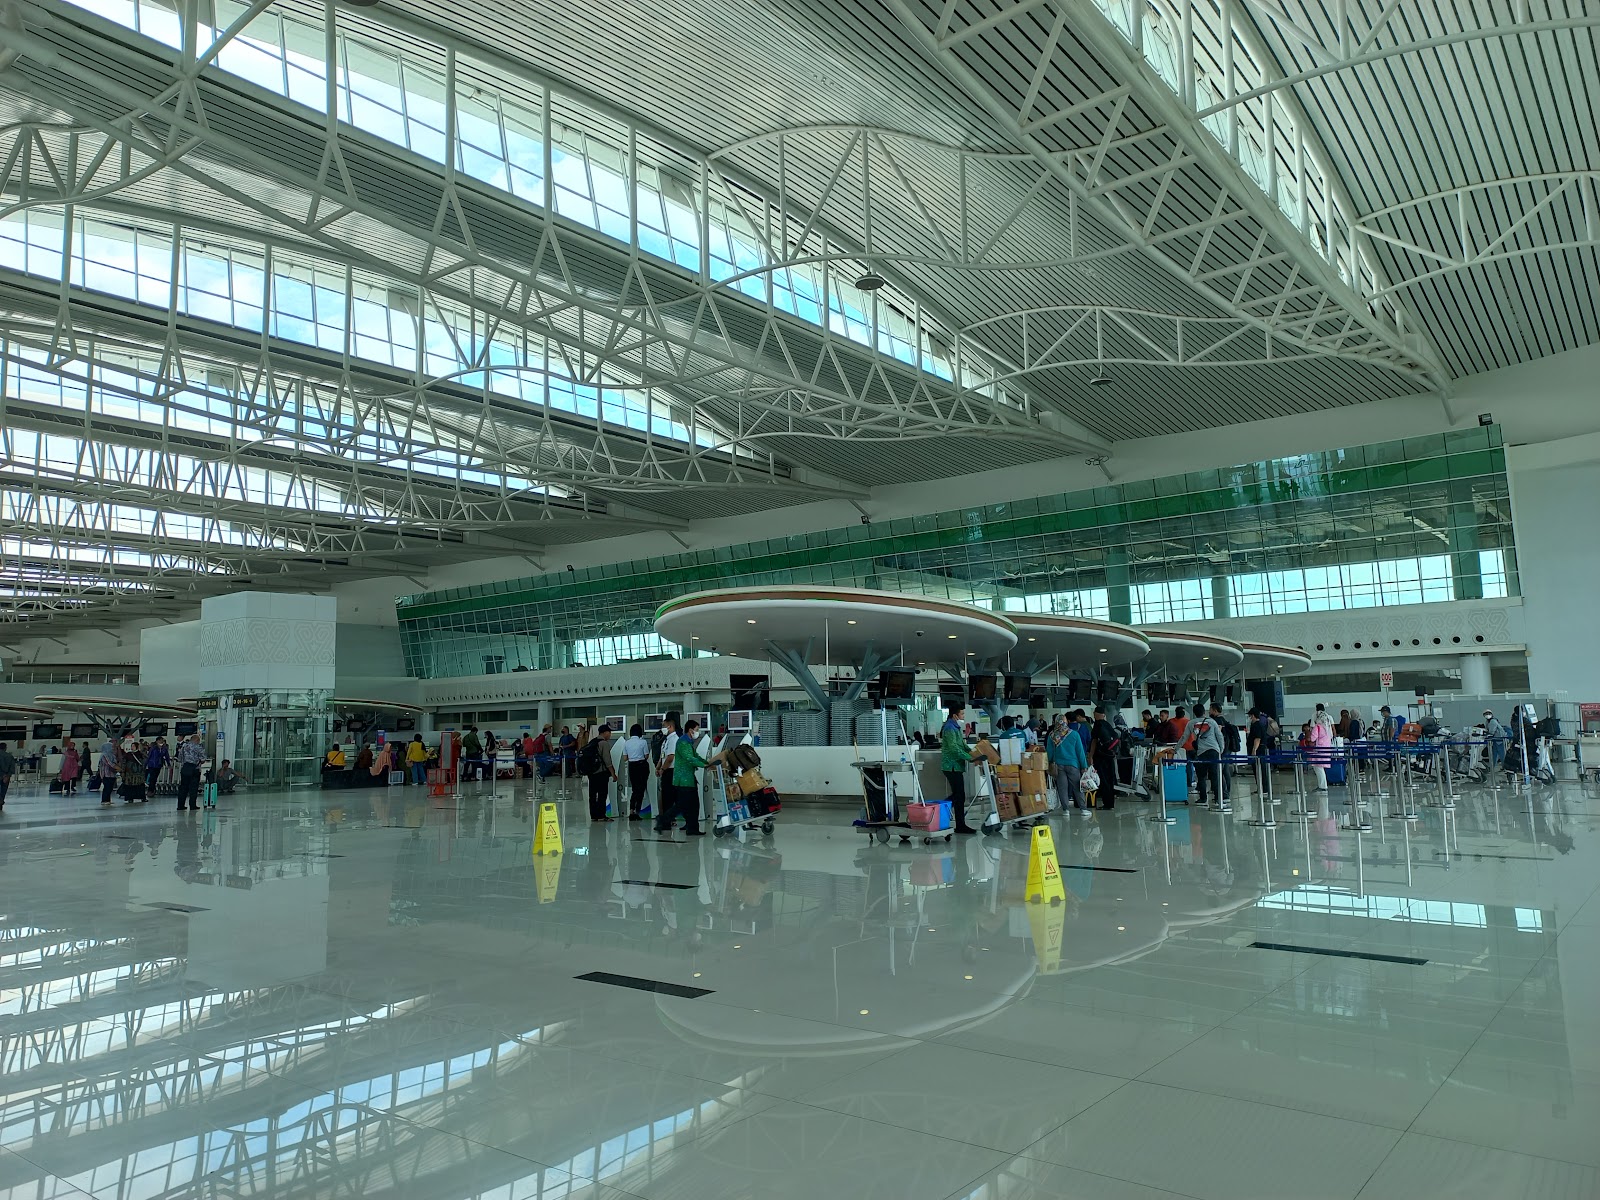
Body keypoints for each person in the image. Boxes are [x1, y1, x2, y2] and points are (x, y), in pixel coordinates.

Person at [938, 704, 979, 835]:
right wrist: (970, 758)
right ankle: (941, 811)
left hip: (956, 766)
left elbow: (962, 745)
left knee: (958, 795)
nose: (963, 716)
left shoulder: (955, 726)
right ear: (955, 715)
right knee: (959, 796)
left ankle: (948, 815)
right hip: (951, 767)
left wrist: (974, 753)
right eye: (962, 714)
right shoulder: (949, 728)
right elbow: (954, 748)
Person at [1046, 715, 1087, 813]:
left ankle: (1066, 810)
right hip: (1073, 765)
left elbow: (1049, 752)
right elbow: (1080, 752)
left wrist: (1049, 763)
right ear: (1066, 722)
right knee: (1077, 787)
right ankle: (1083, 809)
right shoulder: (1074, 734)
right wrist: (1084, 766)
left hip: (1058, 765)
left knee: (1062, 788)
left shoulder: (1052, 735)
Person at [1187, 703, 1225, 809]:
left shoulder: (1192, 723)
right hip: (1213, 751)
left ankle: (1203, 798)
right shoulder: (1212, 722)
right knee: (1215, 775)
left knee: (1201, 776)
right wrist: (1220, 750)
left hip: (1201, 752)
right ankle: (1218, 798)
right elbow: (1220, 736)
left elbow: (1185, 737)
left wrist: (1175, 749)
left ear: (1194, 713)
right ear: (1204, 712)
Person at [579, 725, 619, 822]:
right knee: (602, 794)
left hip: (591, 773)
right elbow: (607, 761)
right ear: (604, 732)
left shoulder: (592, 742)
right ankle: (601, 815)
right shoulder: (604, 743)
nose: (610, 735)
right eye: (609, 732)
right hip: (601, 773)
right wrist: (613, 774)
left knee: (592, 795)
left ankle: (593, 816)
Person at [1089, 706, 1120, 808]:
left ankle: (1106, 803)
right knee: (1110, 779)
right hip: (1110, 756)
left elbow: (1094, 741)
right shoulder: (1108, 725)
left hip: (1101, 757)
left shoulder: (1098, 725)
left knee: (1103, 780)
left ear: (1096, 714)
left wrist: (1090, 756)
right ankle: (1110, 803)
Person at [621, 723, 651, 820]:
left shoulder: (626, 743)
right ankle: (637, 812)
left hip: (632, 766)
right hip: (642, 766)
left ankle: (631, 811)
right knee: (641, 789)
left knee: (634, 789)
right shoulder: (643, 742)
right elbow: (646, 755)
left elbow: (625, 758)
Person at [175, 734, 206, 811]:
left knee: (183, 787)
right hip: (194, 769)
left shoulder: (183, 746)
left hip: (185, 768)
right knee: (193, 788)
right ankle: (192, 805)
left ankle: (180, 805)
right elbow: (203, 759)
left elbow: (179, 758)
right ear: (196, 740)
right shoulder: (198, 747)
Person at [1310, 703, 1335, 790]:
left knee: (1318, 767)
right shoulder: (1328, 723)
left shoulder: (1317, 725)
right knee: (1320, 767)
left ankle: (1323, 786)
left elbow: (1312, 738)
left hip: (1319, 748)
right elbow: (1332, 734)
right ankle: (1322, 785)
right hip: (1327, 746)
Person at [95, 738, 119, 806]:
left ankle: (108, 800)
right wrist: (118, 768)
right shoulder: (104, 755)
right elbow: (109, 763)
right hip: (106, 774)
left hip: (112, 774)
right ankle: (104, 800)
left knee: (110, 788)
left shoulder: (112, 755)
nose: (112, 748)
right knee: (107, 787)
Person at [0, 742, 14, 808]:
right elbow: (12, 767)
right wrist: (8, 776)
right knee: (4, 790)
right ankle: (1, 801)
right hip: (6, 776)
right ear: (5, 748)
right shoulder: (9, 756)